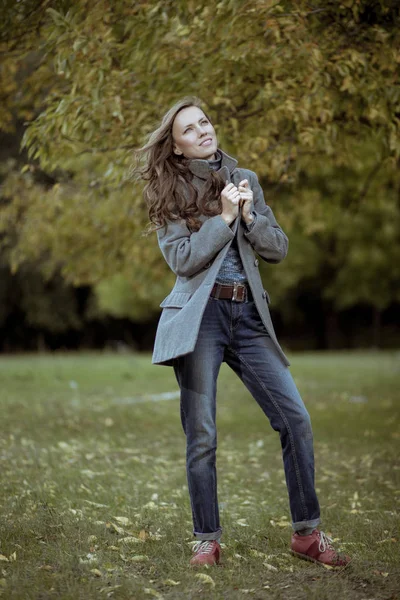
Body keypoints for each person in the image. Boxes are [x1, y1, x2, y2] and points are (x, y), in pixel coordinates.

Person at [137, 97, 350, 569]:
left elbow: (278, 249)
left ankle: (307, 535)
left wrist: (249, 215)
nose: (203, 131)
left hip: (249, 317)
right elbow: (183, 259)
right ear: (175, 147)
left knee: (296, 419)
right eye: (190, 129)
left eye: (205, 122)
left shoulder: (244, 180)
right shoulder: (168, 193)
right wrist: (224, 220)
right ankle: (206, 539)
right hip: (201, 319)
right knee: (203, 433)